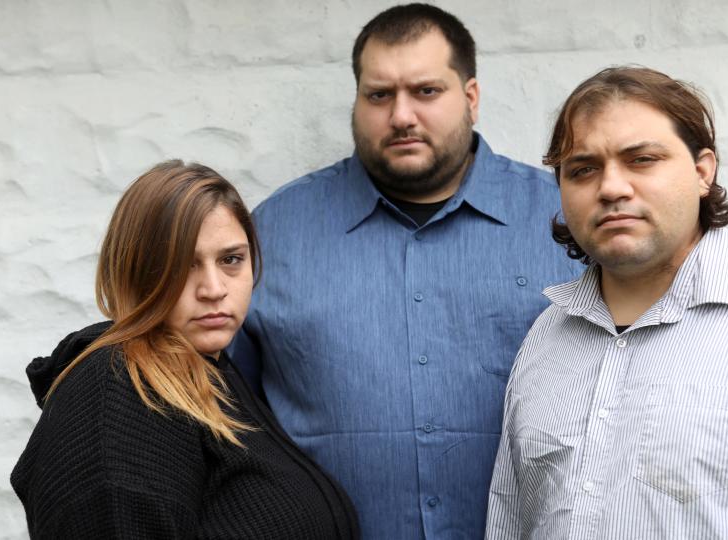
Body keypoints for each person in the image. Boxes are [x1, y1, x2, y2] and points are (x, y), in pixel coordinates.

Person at [226, 4, 581, 538]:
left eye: (426, 91)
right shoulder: (272, 232)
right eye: (379, 95)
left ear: (471, 97)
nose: (401, 116)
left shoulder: (564, 220)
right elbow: (228, 410)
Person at [485, 66, 728, 538]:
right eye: (583, 169)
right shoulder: (547, 338)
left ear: (702, 171)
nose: (610, 188)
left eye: (642, 159)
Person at [11, 161, 358, 539]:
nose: (213, 288)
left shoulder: (211, 369)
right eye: (182, 264)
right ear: (134, 270)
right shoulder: (119, 392)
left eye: (231, 260)